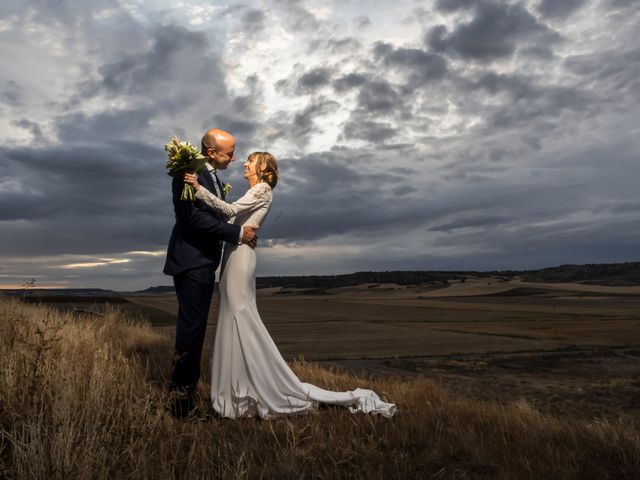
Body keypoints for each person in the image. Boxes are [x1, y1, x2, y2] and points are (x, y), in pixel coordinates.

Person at [183, 152, 397, 419]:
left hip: (240, 260)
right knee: (232, 319)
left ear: (262, 169)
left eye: (251, 161)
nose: (245, 163)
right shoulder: (253, 191)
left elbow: (230, 211)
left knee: (241, 318)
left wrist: (198, 189)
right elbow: (230, 221)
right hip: (232, 258)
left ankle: (253, 387)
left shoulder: (262, 190)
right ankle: (238, 387)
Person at [163, 128, 258, 417]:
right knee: (191, 331)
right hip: (192, 262)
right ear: (211, 152)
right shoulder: (188, 172)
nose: (233, 157)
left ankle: (183, 397)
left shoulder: (209, 177)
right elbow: (191, 218)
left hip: (201, 262)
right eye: (229, 153)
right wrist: (237, 233)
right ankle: (180, 406)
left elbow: (215, 210)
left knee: (195, 329)